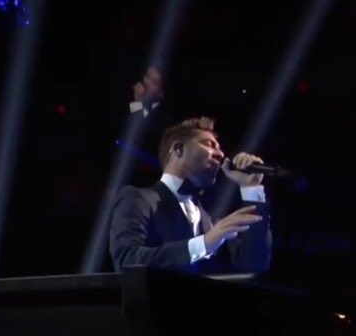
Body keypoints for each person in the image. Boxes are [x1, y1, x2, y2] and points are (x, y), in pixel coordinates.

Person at [108, 116, 272, 274]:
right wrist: (204, 243)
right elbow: (127, 260)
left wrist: (251, 187)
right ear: (178, 149)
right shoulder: (138, 199)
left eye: (219, 148)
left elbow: (253, 262)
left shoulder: (207, 220)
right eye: (209, 144)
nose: (221, 154)